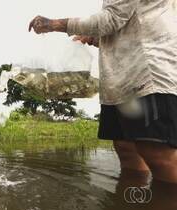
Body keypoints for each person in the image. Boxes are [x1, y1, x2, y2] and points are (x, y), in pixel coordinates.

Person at [28, 0, 177, 186]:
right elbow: (123, 24)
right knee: (126, 148)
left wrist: (54, 24)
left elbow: (112, 18)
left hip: (148, 73)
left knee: (157, 153)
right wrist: (95, 39)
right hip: (120, 82)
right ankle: (132, 204)